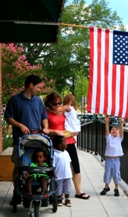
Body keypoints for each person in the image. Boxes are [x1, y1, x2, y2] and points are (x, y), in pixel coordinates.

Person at [5, 74, 49, 205]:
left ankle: (39, 187)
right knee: (19, 166)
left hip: (37, 138)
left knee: (39, 163)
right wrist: (20, 125)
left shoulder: (38, 101)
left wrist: (46, 127)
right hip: (21, 140)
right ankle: (17, 192)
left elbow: (44, 117)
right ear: (31, 85)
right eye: (37, 87)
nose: (38, 90)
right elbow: (8, 117)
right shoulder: (15, 100)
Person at [44, 92, 90, 199]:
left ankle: (78, 190)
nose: (58, 105)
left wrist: (74, 131)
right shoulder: (46, 113)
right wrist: (56, 132)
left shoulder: (63, 111)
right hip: (55, 141)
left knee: (75, 165)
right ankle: (55, 191)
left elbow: (72, 120)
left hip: (68, 140)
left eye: (59, 103)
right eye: (55, 104)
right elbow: (45, 129)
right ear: (49, 103)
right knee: (55, 167)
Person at [100, 116, 124, 197]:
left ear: (118, 132)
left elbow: (122, 132)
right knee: (107, 173)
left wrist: (121, 124)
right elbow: (106, 131)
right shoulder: (109, 138)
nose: (114, 131)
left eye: (116, 130)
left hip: (116, 159)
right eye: (112, 130)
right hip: (109, 159)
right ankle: (106, 187)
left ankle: (116, 188)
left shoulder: (119, 138)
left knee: (116, 174)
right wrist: (107, 123)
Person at [52, 135, 72, 207]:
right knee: (59, 188)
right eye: (65, 142)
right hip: (59, 175)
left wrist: (72, 171)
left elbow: (70, 162)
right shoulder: (55, 154)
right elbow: (53, 165)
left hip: (67, 174)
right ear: (60, 145)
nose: (66, 143)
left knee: (67, 187)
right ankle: (59, 198)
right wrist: (53, 173)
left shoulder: (66, 152)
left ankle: (67, 199)